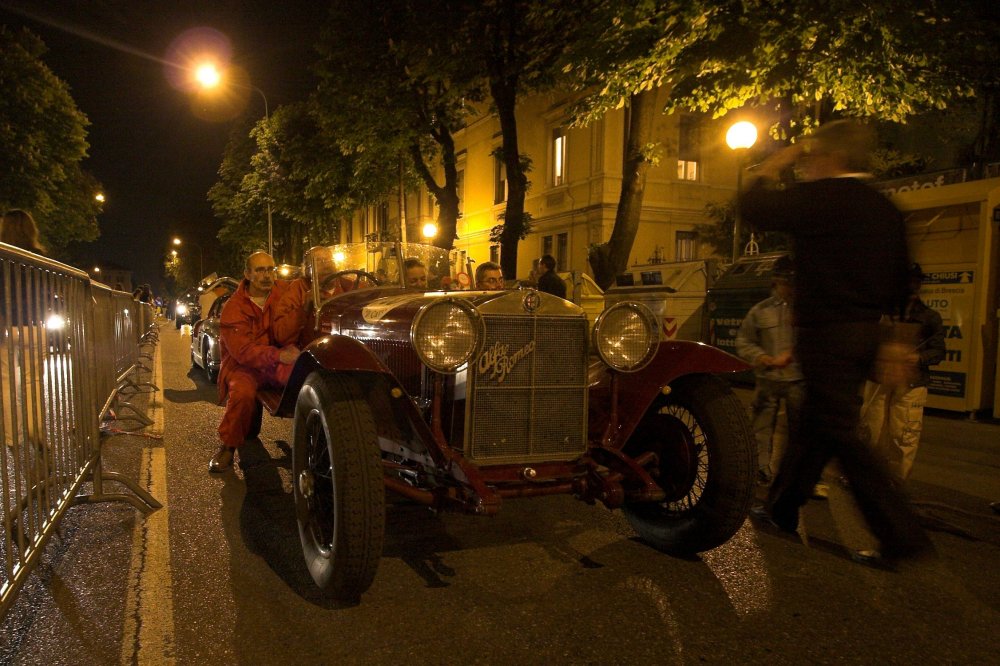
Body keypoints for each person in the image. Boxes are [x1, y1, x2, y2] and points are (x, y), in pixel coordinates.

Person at [739, 120, 931, 563]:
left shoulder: (825, 198)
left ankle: (902, 537)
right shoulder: (883, 207)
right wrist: (896, 343)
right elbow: (904, 280)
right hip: (868, 332)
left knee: (843, 433)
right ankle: (782, 508)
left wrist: (776, 161)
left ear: (834, 158)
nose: (806, 165)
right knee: (816, 424)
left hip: (828, 334)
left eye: (811, 157)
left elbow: (755, 208)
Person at [211, 251, 299, 472]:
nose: (267, 275)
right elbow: (243, 352)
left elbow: (306, 289)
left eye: (270, 269)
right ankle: (228, 447)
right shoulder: (234, 307)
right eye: (260, 270)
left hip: (276, 362)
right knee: (242, 394)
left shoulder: (283, 292)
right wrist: (278, 355)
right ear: (247, 274)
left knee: (310, 382)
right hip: (245, 367)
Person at [860, 262, 946, 483]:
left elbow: (938, 350)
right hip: (878, 381)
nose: (911, 286)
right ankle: (871, 480)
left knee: (903, 437)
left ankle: (896, 486)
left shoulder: (930, 317)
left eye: (915, 282)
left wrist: (918, 357)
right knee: (873, 433)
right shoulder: (880, 314)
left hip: (910, 384)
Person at [735, 256, 803, 486]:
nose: (789, 288)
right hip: (768, 379)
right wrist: (761, 357)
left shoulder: (805, 312)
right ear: (775, 282)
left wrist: (793, 355)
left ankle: (799, 475)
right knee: (761, 428)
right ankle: (761, 470)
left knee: (801, 431)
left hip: (798, 380)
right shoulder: (761, 312)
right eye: (785, 282)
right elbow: (744, 341)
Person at [1, 210, 47, 452]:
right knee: (33, 380)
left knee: (8, 383)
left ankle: (13, 438)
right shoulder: (37, 256)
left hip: (5, 327)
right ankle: (35, 430)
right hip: (32, 324)